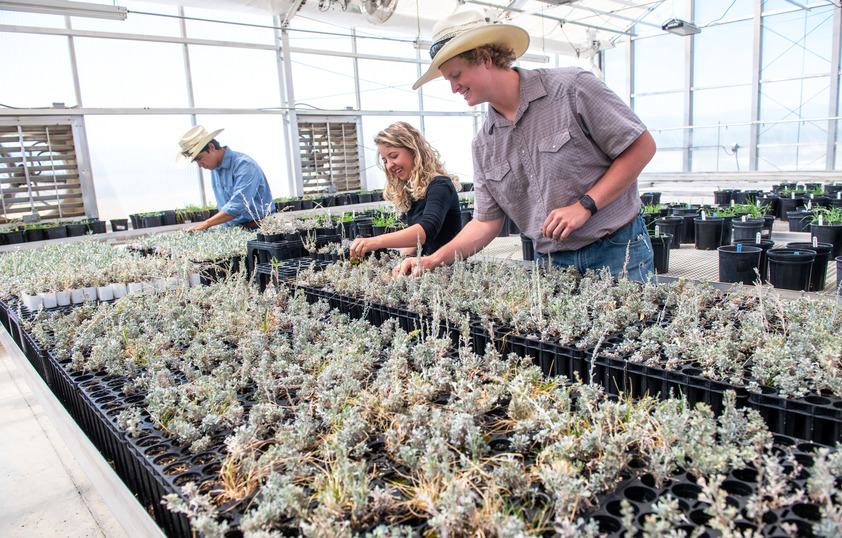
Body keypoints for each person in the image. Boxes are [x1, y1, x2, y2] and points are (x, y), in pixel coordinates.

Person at [400, 10, 657, 282]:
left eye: (456, 74)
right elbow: (486, 222)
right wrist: (432, 259)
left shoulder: (571, 89)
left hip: (617, 251)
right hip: (550, 265)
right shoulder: (484, 144)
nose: (453, 88)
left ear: (485, 58)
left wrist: (585, 206)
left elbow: (641, 146)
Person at [349, 122, 463, 259]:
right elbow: (420, 243)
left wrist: (375, 242)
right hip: (427, 266)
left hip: (447, 269)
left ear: (413, 151)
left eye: (394, 156)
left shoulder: (440, 186)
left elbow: (426, 230)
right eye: (385, 160)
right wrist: (399, 260)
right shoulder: (416, 187)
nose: (389, 165)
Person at [175, 125, 274, 231]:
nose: (200, 165)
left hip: (257, 229)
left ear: (211, 147)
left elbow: (238, 205)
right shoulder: (215, 169)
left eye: (200, 158)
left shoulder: (244, 165)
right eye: (196, 162)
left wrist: (206, 224)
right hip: (232, 230)